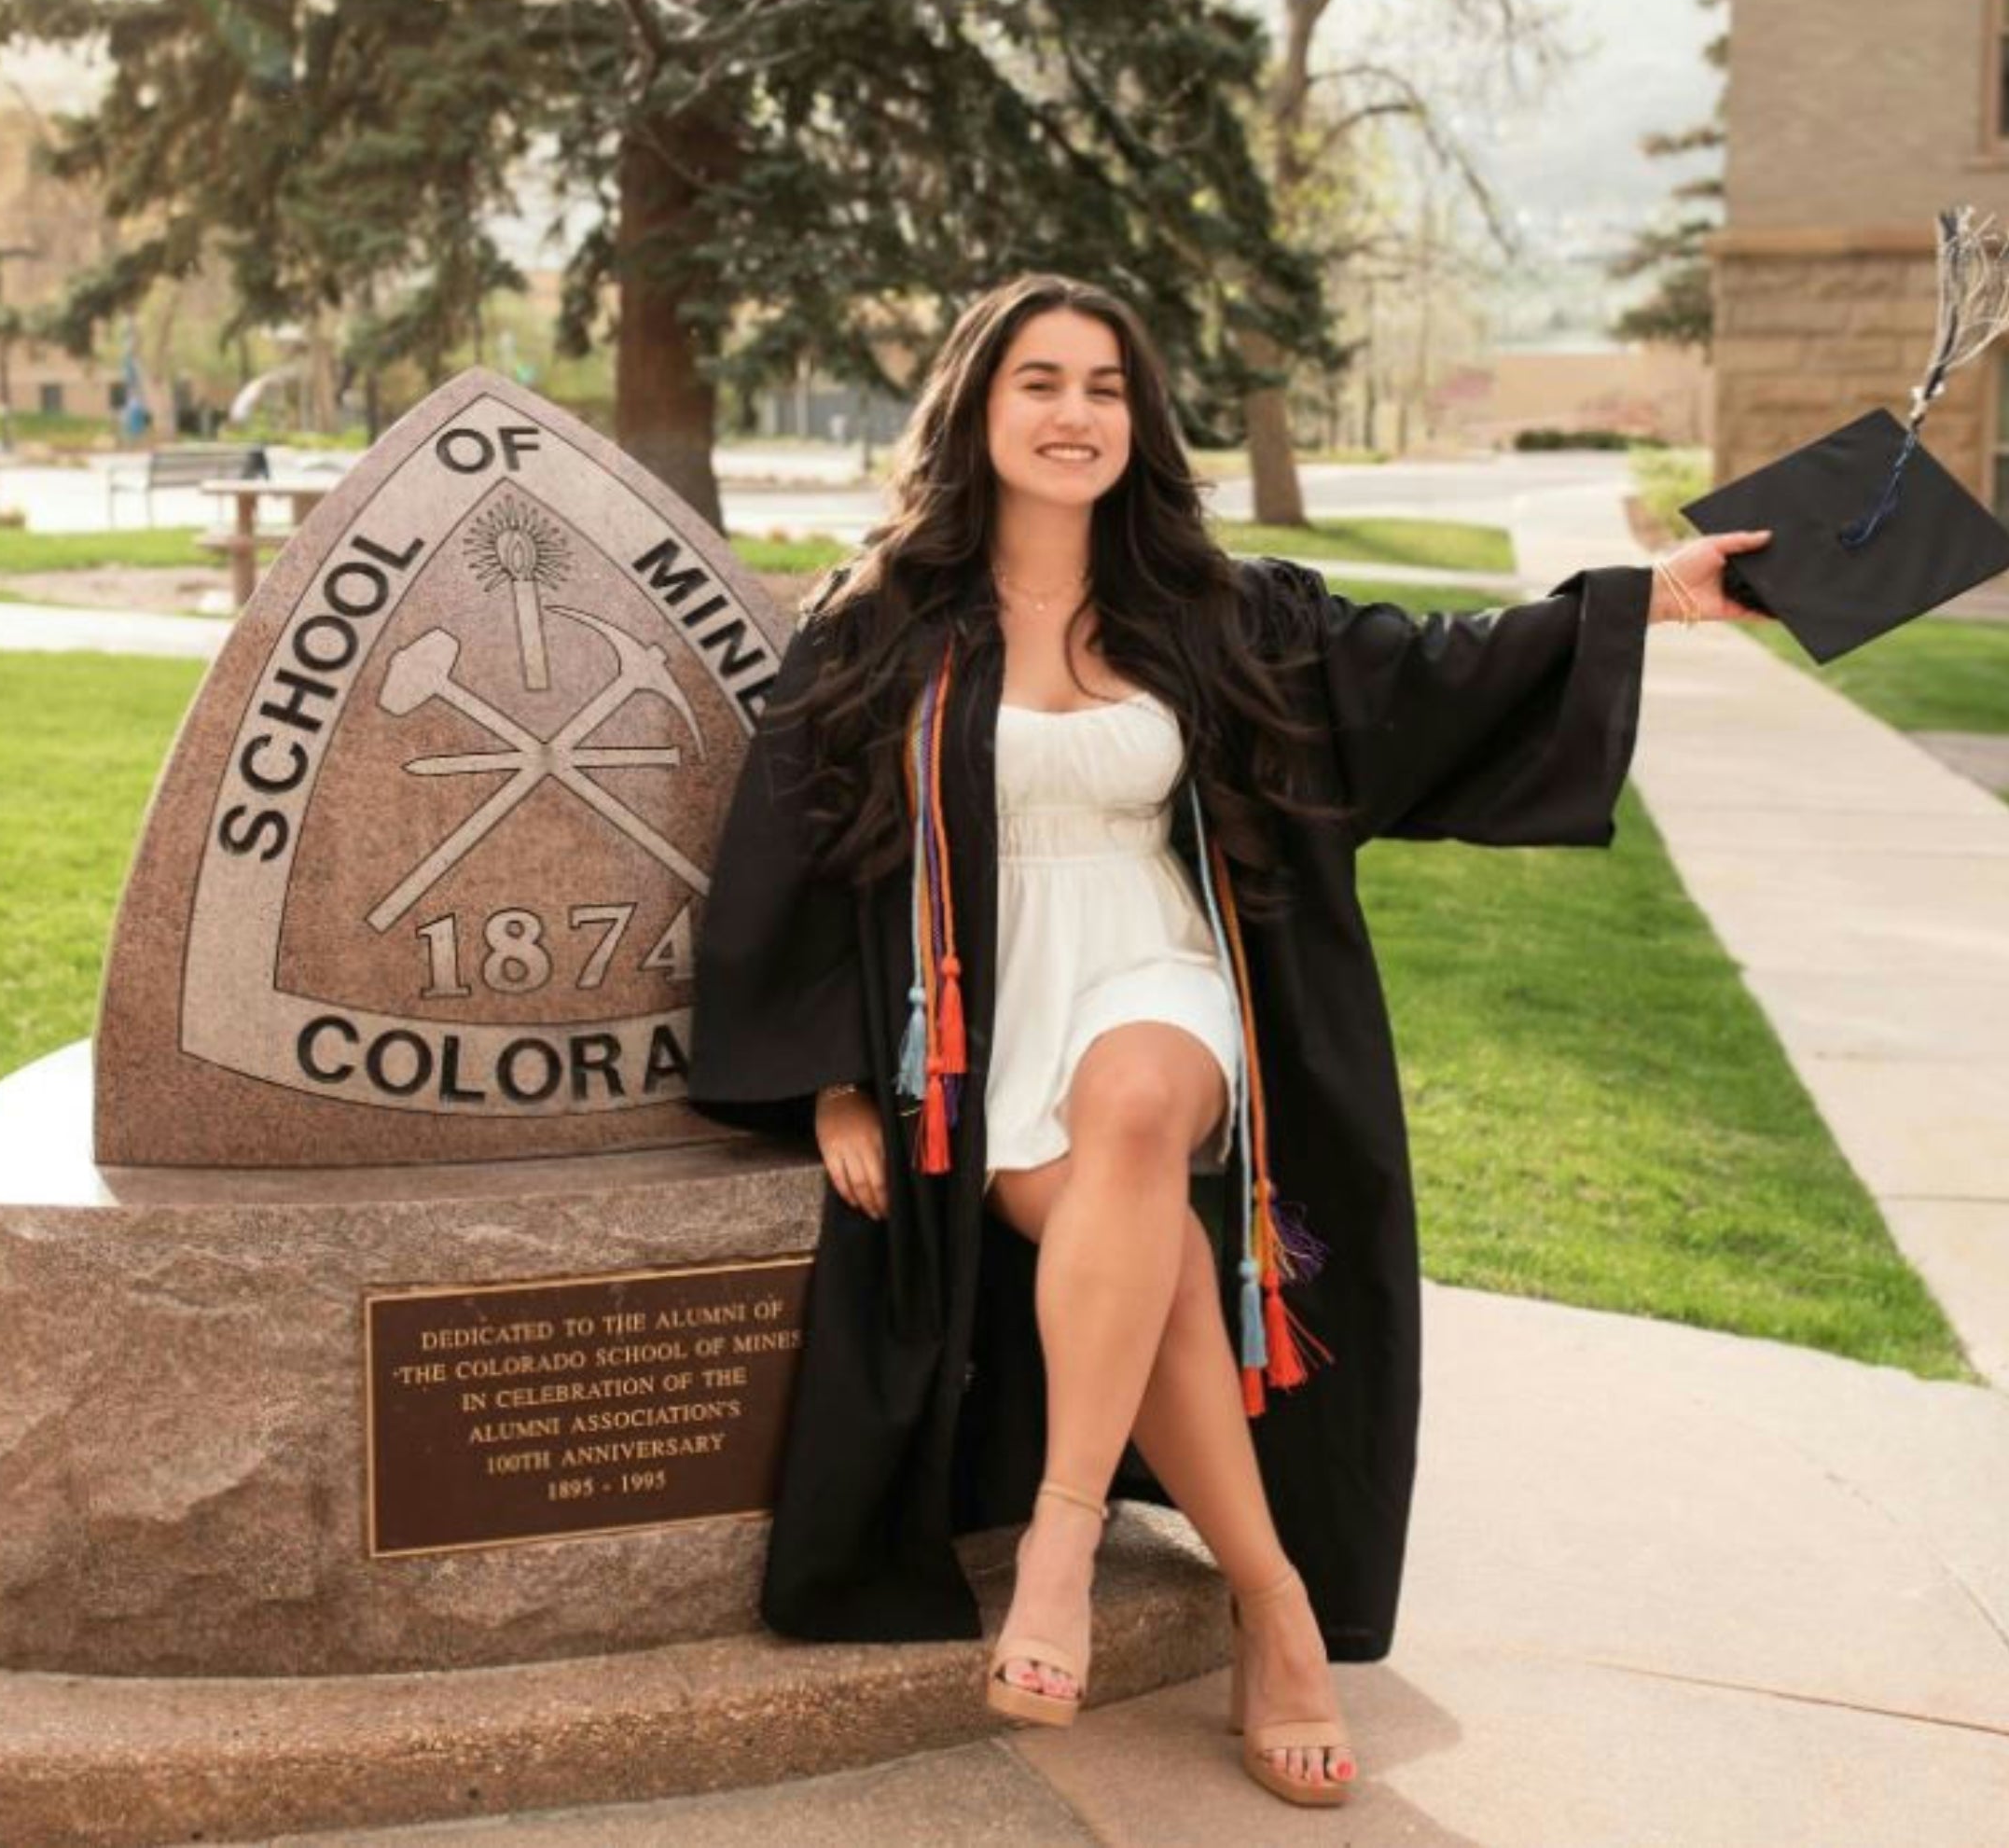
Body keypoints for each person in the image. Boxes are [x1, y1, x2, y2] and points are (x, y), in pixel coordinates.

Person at [684, 272, 1770, 1809]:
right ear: (979, 410)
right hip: (984, 1024)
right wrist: (832, 1080)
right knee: (1167, 1267)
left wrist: (1653, 594)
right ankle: (1275, 1605)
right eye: (1042, 384)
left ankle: (1061, 1542)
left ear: (1142, 419)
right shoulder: (882, 627)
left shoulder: (1213, 607)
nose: (1075, 416)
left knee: (1135, 1110)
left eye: (1106, 388)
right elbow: (794, 844)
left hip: (1159, 968)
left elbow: (1433, 668)